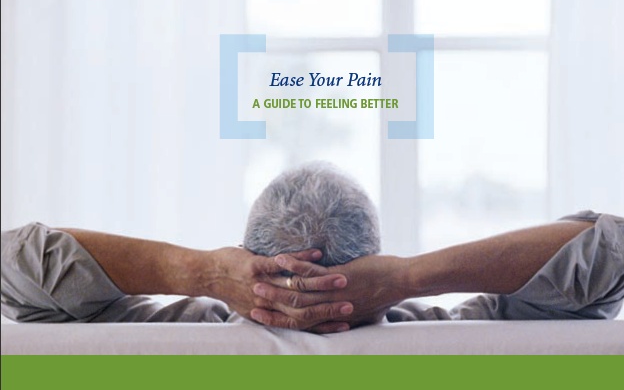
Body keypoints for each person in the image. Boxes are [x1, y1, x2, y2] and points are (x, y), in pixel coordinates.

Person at [1, 164, 623, 333]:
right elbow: (611, 250)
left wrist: (206, 274)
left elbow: (15, 265)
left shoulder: (172, 330)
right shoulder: (464, 331)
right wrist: (408, 280)